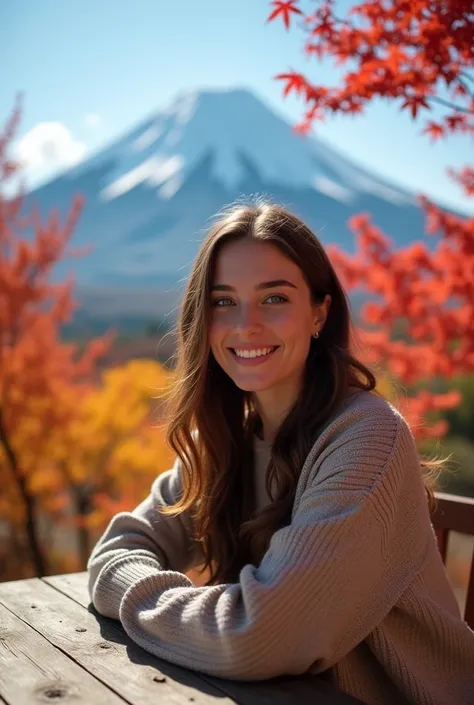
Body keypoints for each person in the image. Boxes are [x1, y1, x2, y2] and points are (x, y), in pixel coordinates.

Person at [88, 200, 474, 705]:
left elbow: (261, 637)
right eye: (223, 301)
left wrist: (144, 601)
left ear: (319, 312)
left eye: (274, 299)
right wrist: (204, 611)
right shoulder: (226, 437)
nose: (245, 324)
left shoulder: (366, 438)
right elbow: (115, 552)